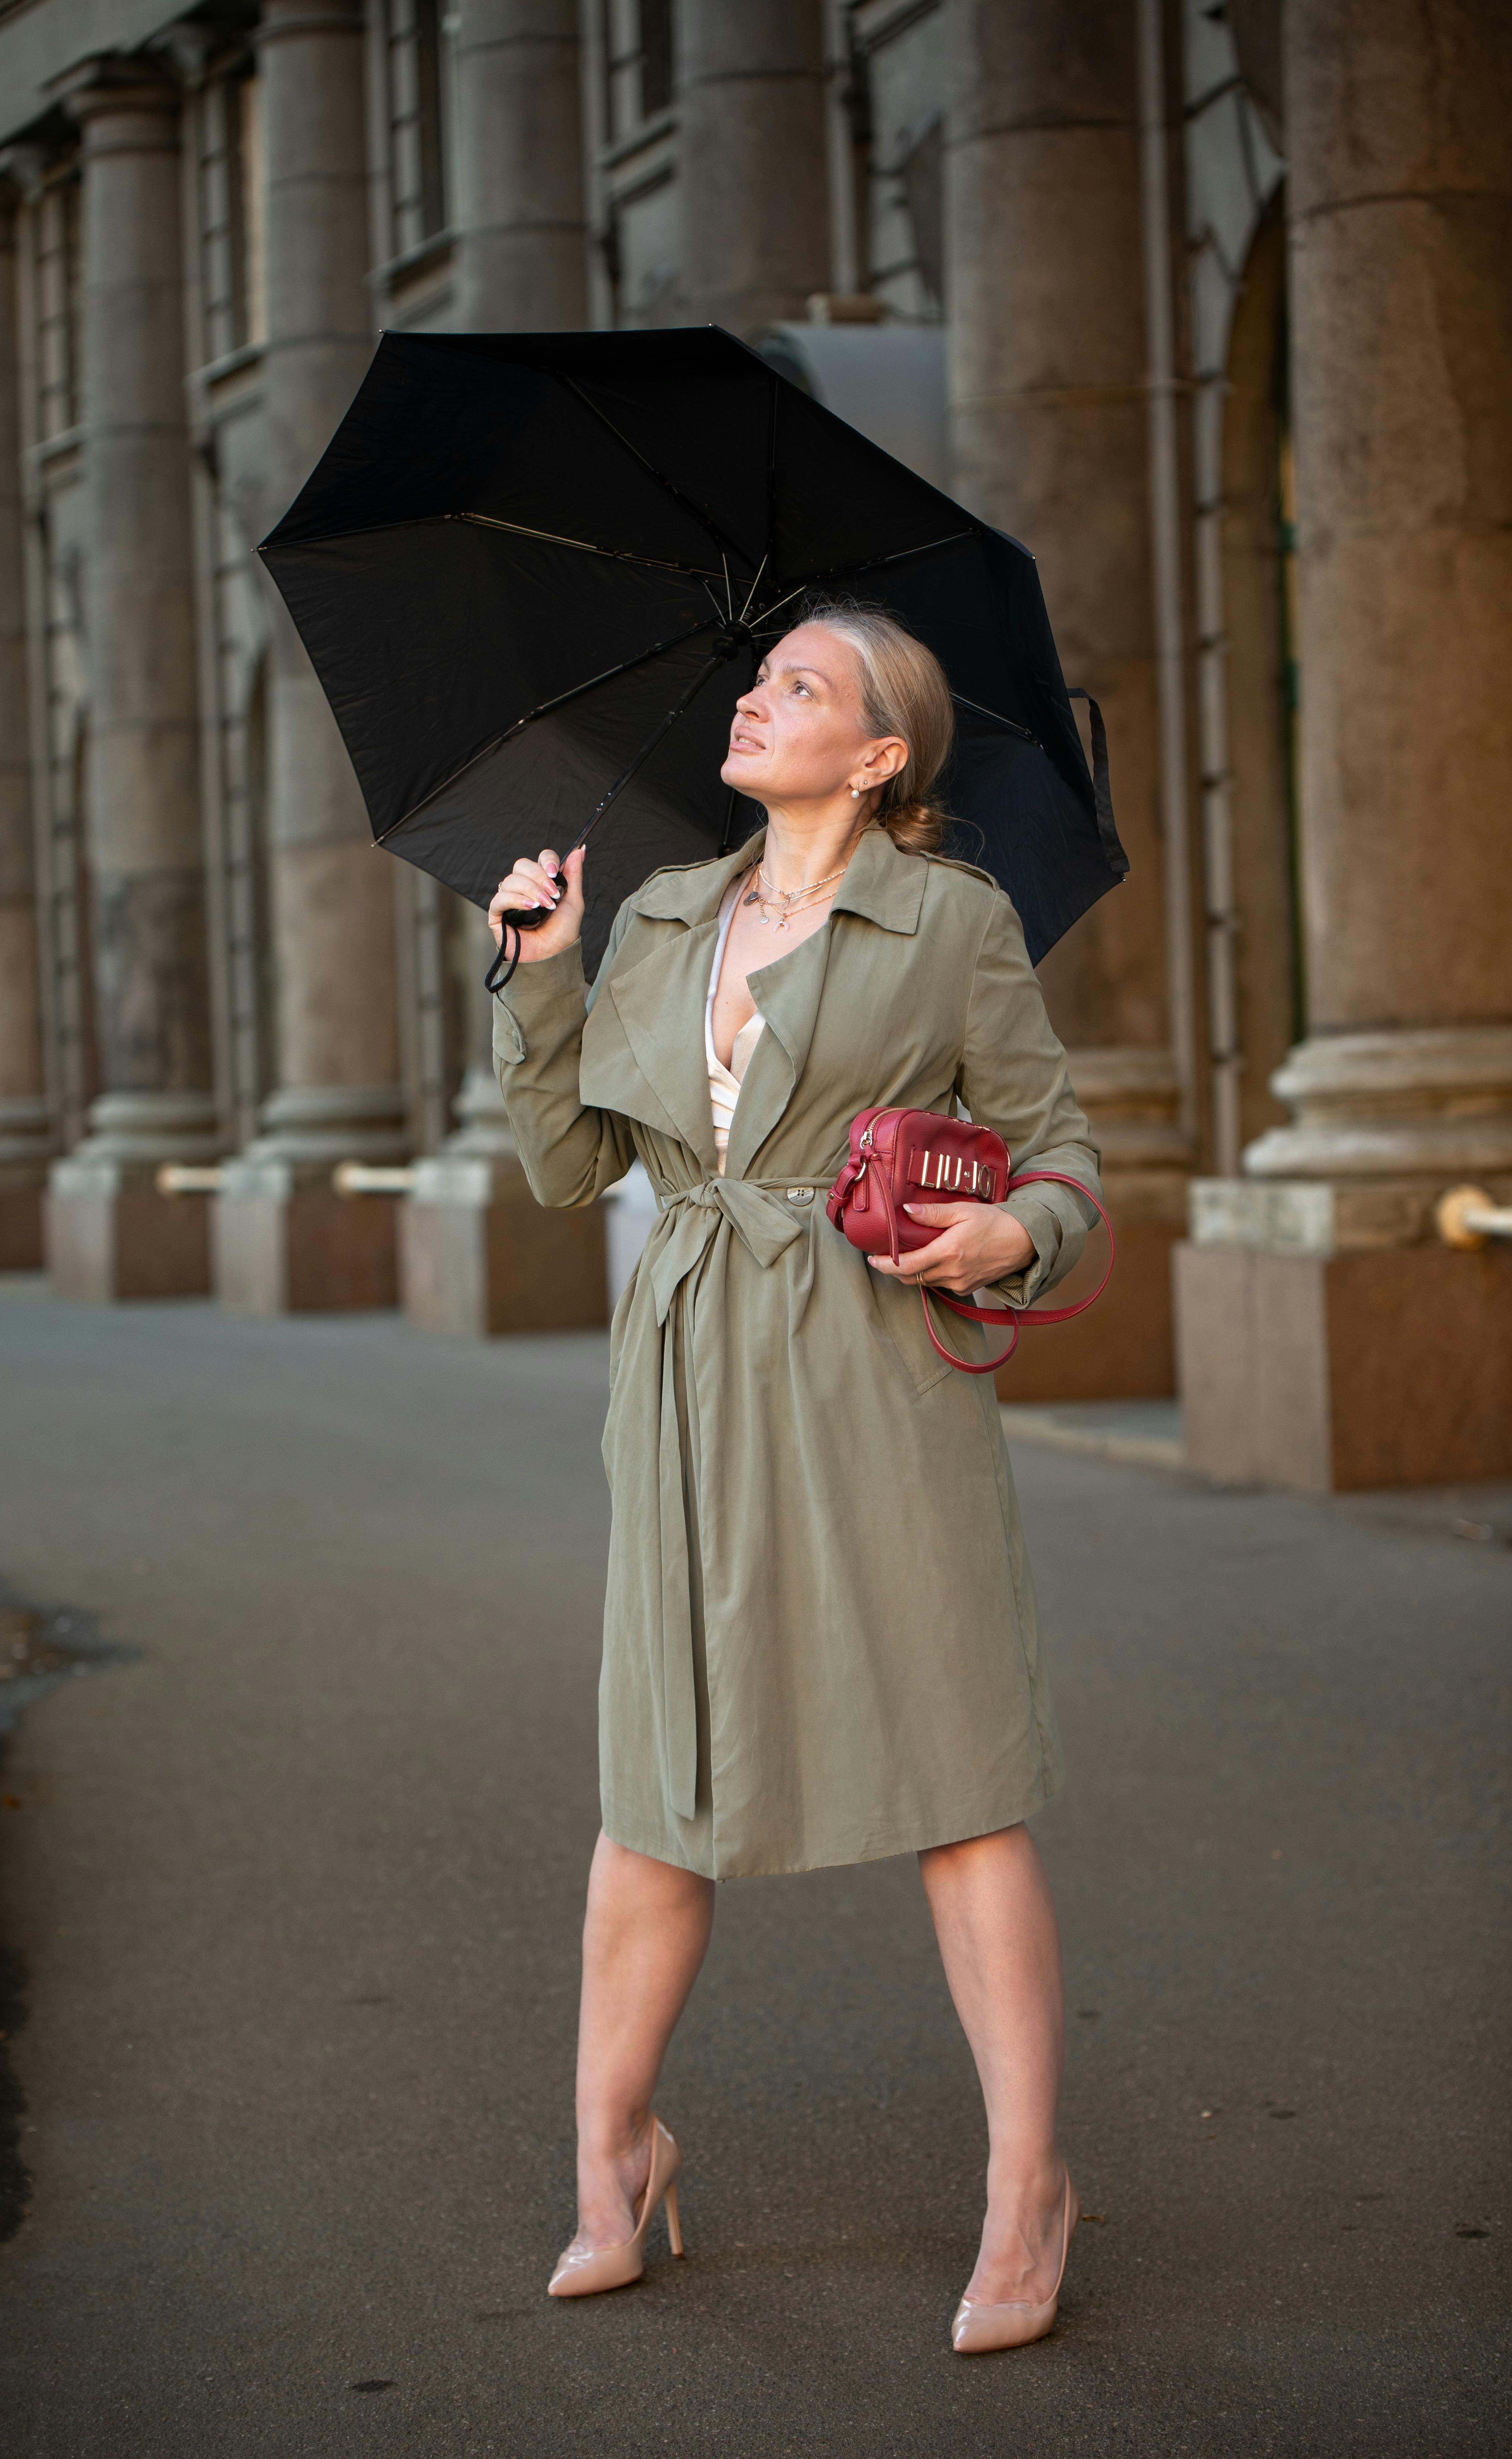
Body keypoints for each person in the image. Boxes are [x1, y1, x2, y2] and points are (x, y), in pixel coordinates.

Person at [487, 599, 1102, 2354]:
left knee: (957, 1772)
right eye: (758, 682)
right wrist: (538, 977)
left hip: (873, 1362)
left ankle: (1024, 2186)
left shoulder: (950, 920)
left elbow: (1063, 1156)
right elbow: (564, 1166)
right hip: (684, 1369)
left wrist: (1013, 1234)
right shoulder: (668, 912)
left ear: (882, 752)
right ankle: (614, 2160)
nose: (757, 702)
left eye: (799, 686)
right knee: (656, 1776)